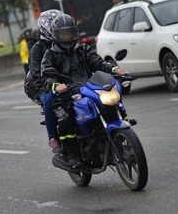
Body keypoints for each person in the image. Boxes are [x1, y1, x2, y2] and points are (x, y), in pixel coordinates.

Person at [41, 14, 126, 168]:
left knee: (109, 102)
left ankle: (117, 130)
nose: (67, 37)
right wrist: (55, 85)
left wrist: (114, 69)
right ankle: (73, 155)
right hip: (66, 94)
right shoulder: (51, 54)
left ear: (75, 32)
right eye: (63, 34)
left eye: (70, 33)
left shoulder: (83, 49)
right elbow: (46, 75)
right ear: (56, 35)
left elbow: (98, 62)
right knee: (66, 118)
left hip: (88, 88)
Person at [29, 9, 63, 153]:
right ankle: (52, 137)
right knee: (50, 99)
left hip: (67, 83)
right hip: (46, 86)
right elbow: (37, 75)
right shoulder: (37, 48)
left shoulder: (66, 42)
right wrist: (51, 85)